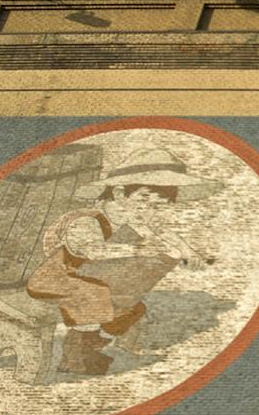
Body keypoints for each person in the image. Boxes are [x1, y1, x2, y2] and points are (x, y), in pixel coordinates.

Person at [24, 147, 217, 374]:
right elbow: (90, 250)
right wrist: (136, 249)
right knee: (95, 297)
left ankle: (94, 346)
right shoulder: (87, 220)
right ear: (118, 194)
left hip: (91, 278)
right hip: (58, 278)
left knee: (132, 309)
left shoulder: (137, 219)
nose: (149, 210)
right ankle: (74, 357)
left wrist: (189, 253)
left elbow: (164, 232)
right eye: (144, 199)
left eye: (158, 204)